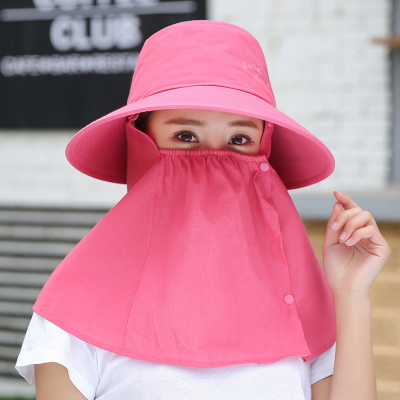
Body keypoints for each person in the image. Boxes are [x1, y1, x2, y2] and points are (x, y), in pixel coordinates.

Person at [16, 21, 391, 400]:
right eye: (185, 136)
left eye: (240, 139)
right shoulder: (77, 310)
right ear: (140, 142)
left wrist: (351, 293)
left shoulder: (302, 306)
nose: (214, 164)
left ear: (265, 151)